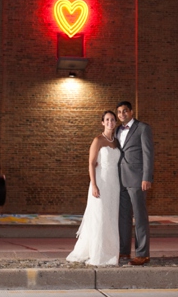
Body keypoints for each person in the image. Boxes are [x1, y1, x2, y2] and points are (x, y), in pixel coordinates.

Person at [66, 111, 121, 266]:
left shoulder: (116, 142)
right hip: (101, 182)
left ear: (115, 122)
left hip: (114, 184)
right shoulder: (98, 140)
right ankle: (98, 253)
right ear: (102, 122)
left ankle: (111, 252)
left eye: (112, 120)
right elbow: (91, 163)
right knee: (100, 217)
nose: (110, 122)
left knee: (111, 217)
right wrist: (94, 185)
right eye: (107, 120)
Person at [116, 101, 154, 266]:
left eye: (125, 111)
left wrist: (147, 177)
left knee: (139, 217)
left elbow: (148, 154)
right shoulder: (117, 130)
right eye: (119, 112)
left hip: (137, 179)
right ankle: (124, 251)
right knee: (123, 217)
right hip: (120, 179)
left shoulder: (143, 128)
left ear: (131, 112)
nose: (122, 114)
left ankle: (142, 254)